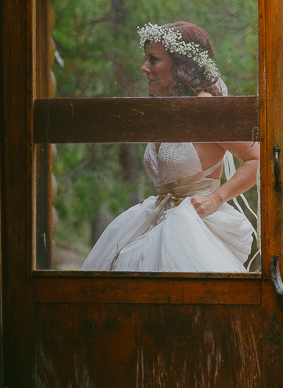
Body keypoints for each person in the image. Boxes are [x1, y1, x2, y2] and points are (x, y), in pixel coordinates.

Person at [81, 21, 260, 272]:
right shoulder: (164, 109)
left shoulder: (205, 107)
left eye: (153, 60)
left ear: (181, 65)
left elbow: (258, 158)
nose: (144, 68)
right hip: (158, 218)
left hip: (194, 229)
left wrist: (215, 199)